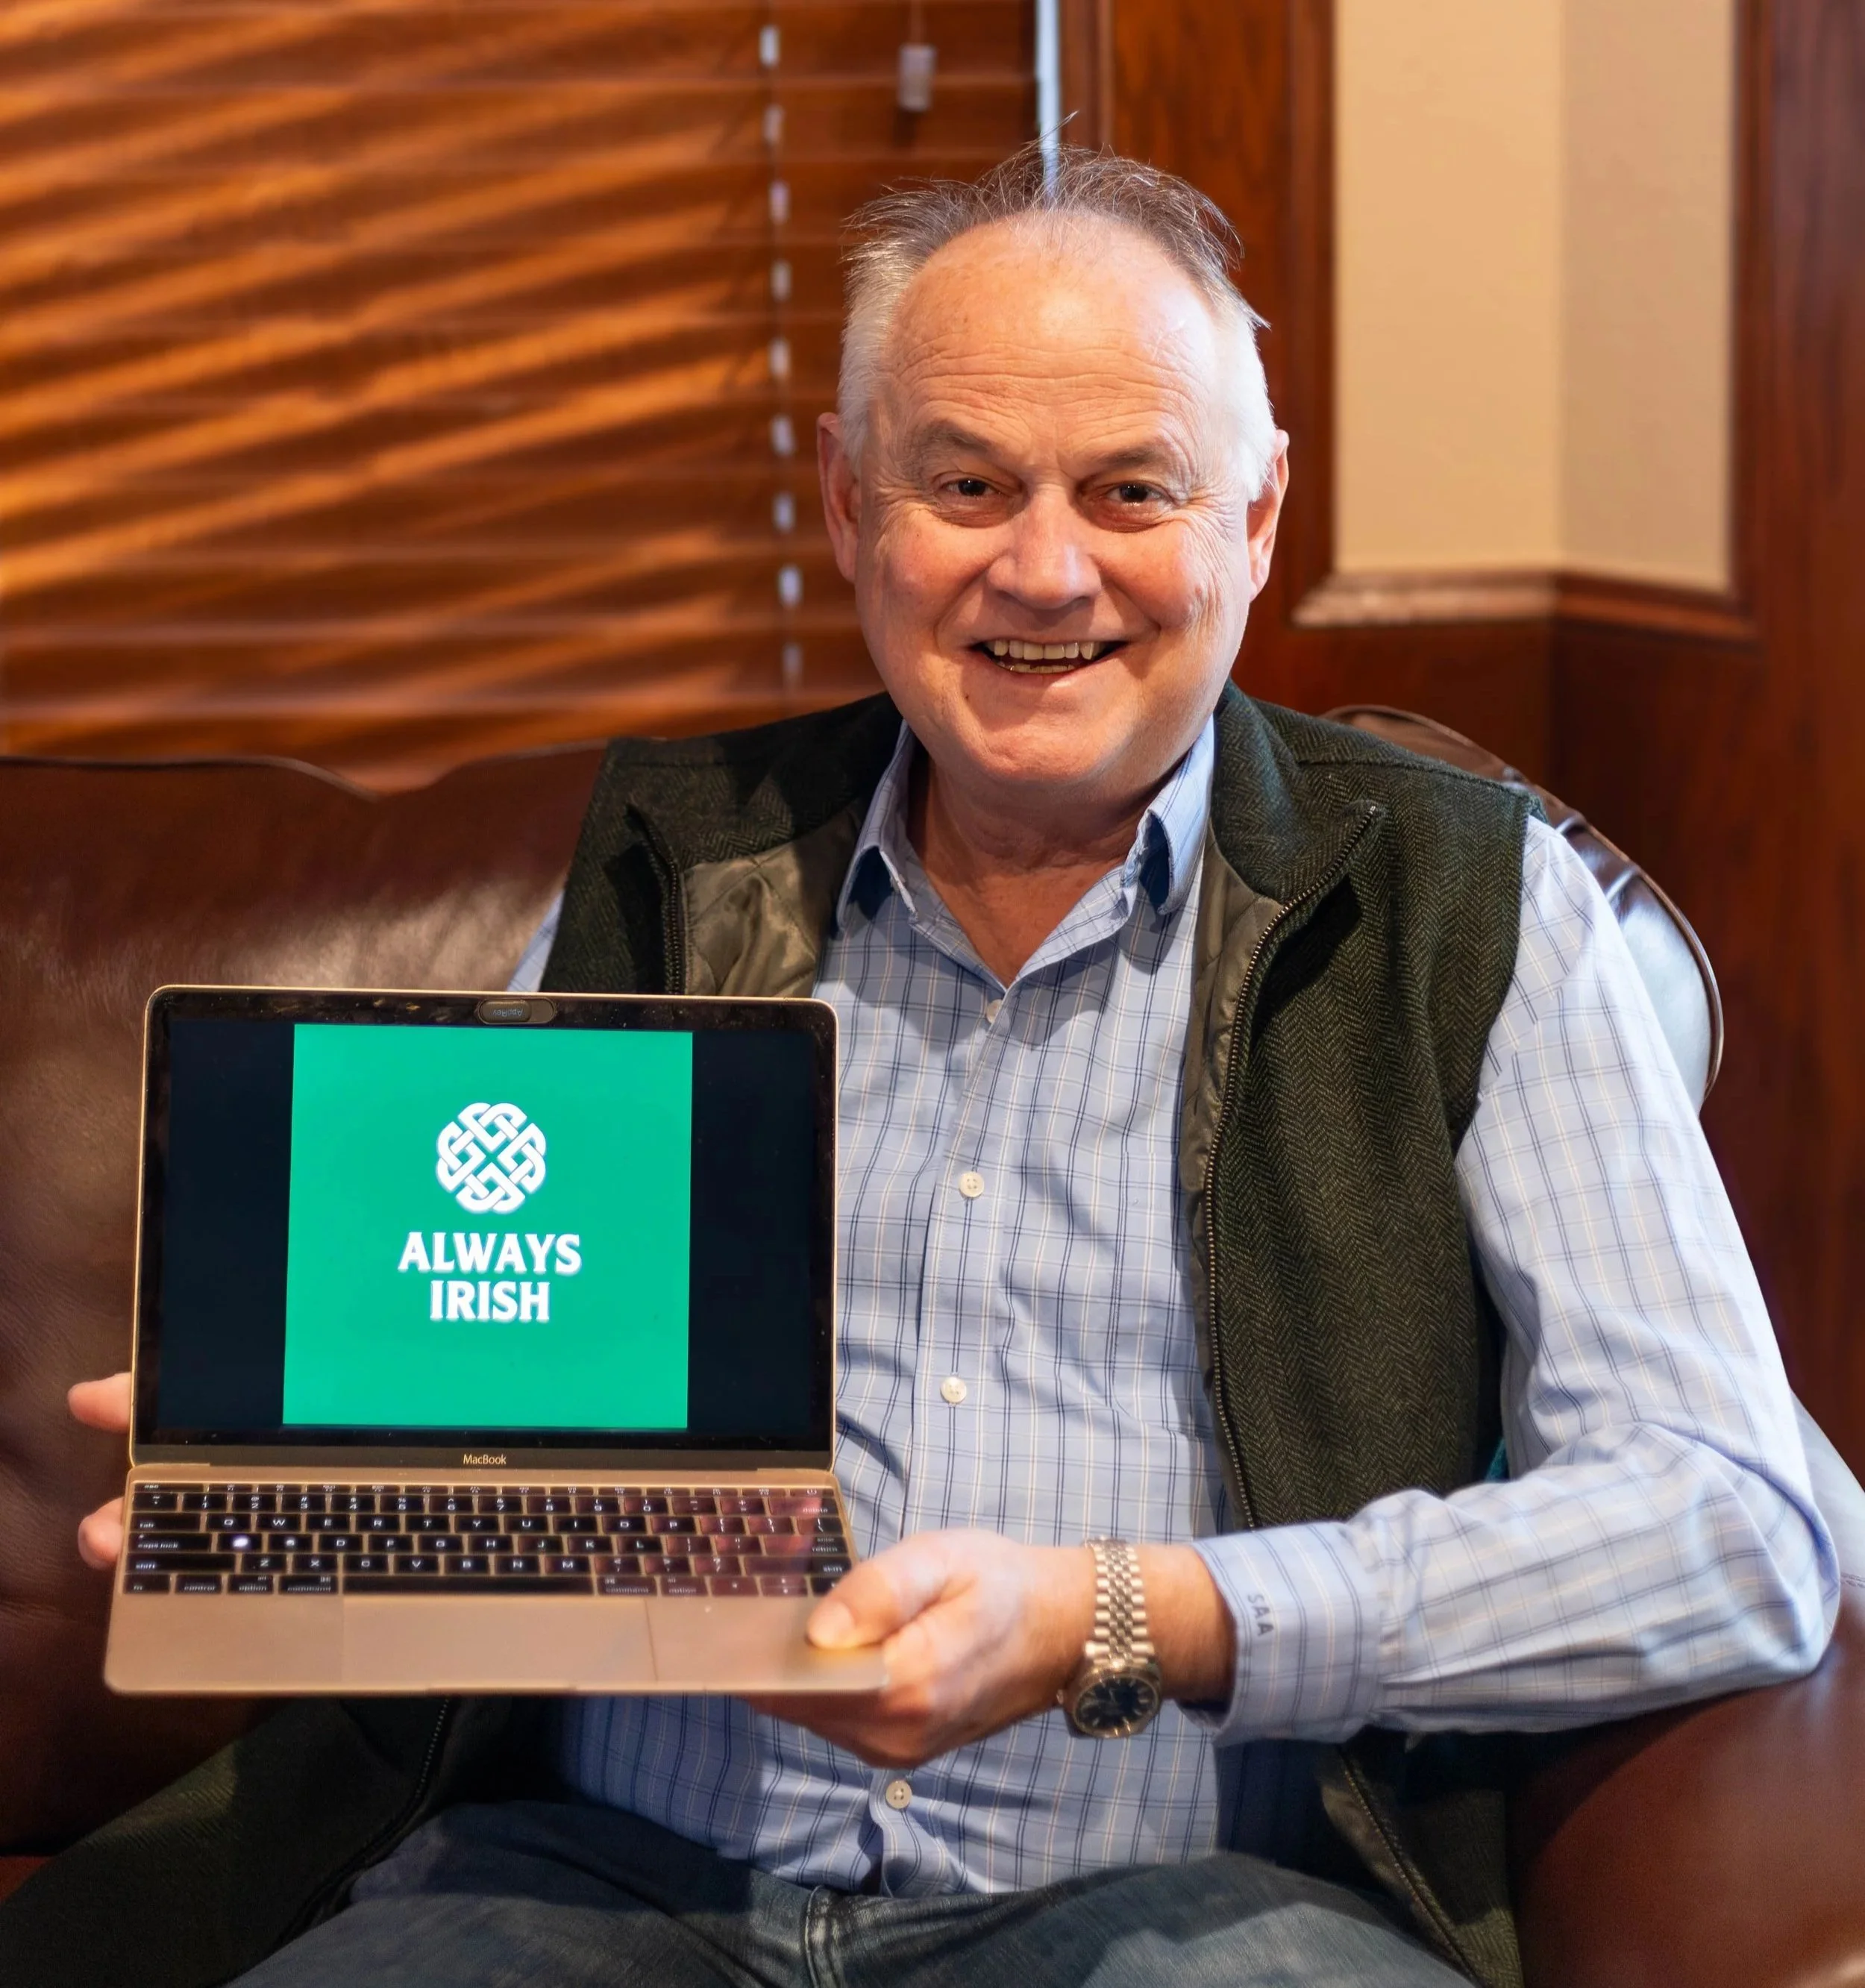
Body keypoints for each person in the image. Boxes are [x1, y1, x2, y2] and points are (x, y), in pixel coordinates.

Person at [60, 148, 1834, 1988]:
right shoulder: (671, 867)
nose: (1042, 567)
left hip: (1195, 1916)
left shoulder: (1471, 905)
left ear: (1254, 516)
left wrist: (1129, 1615)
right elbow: (490, 1340)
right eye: (965, 482)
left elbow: (1728, 1523)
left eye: (1130, 488)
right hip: (596, 1882)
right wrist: (311, 1462)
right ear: (847, 503)